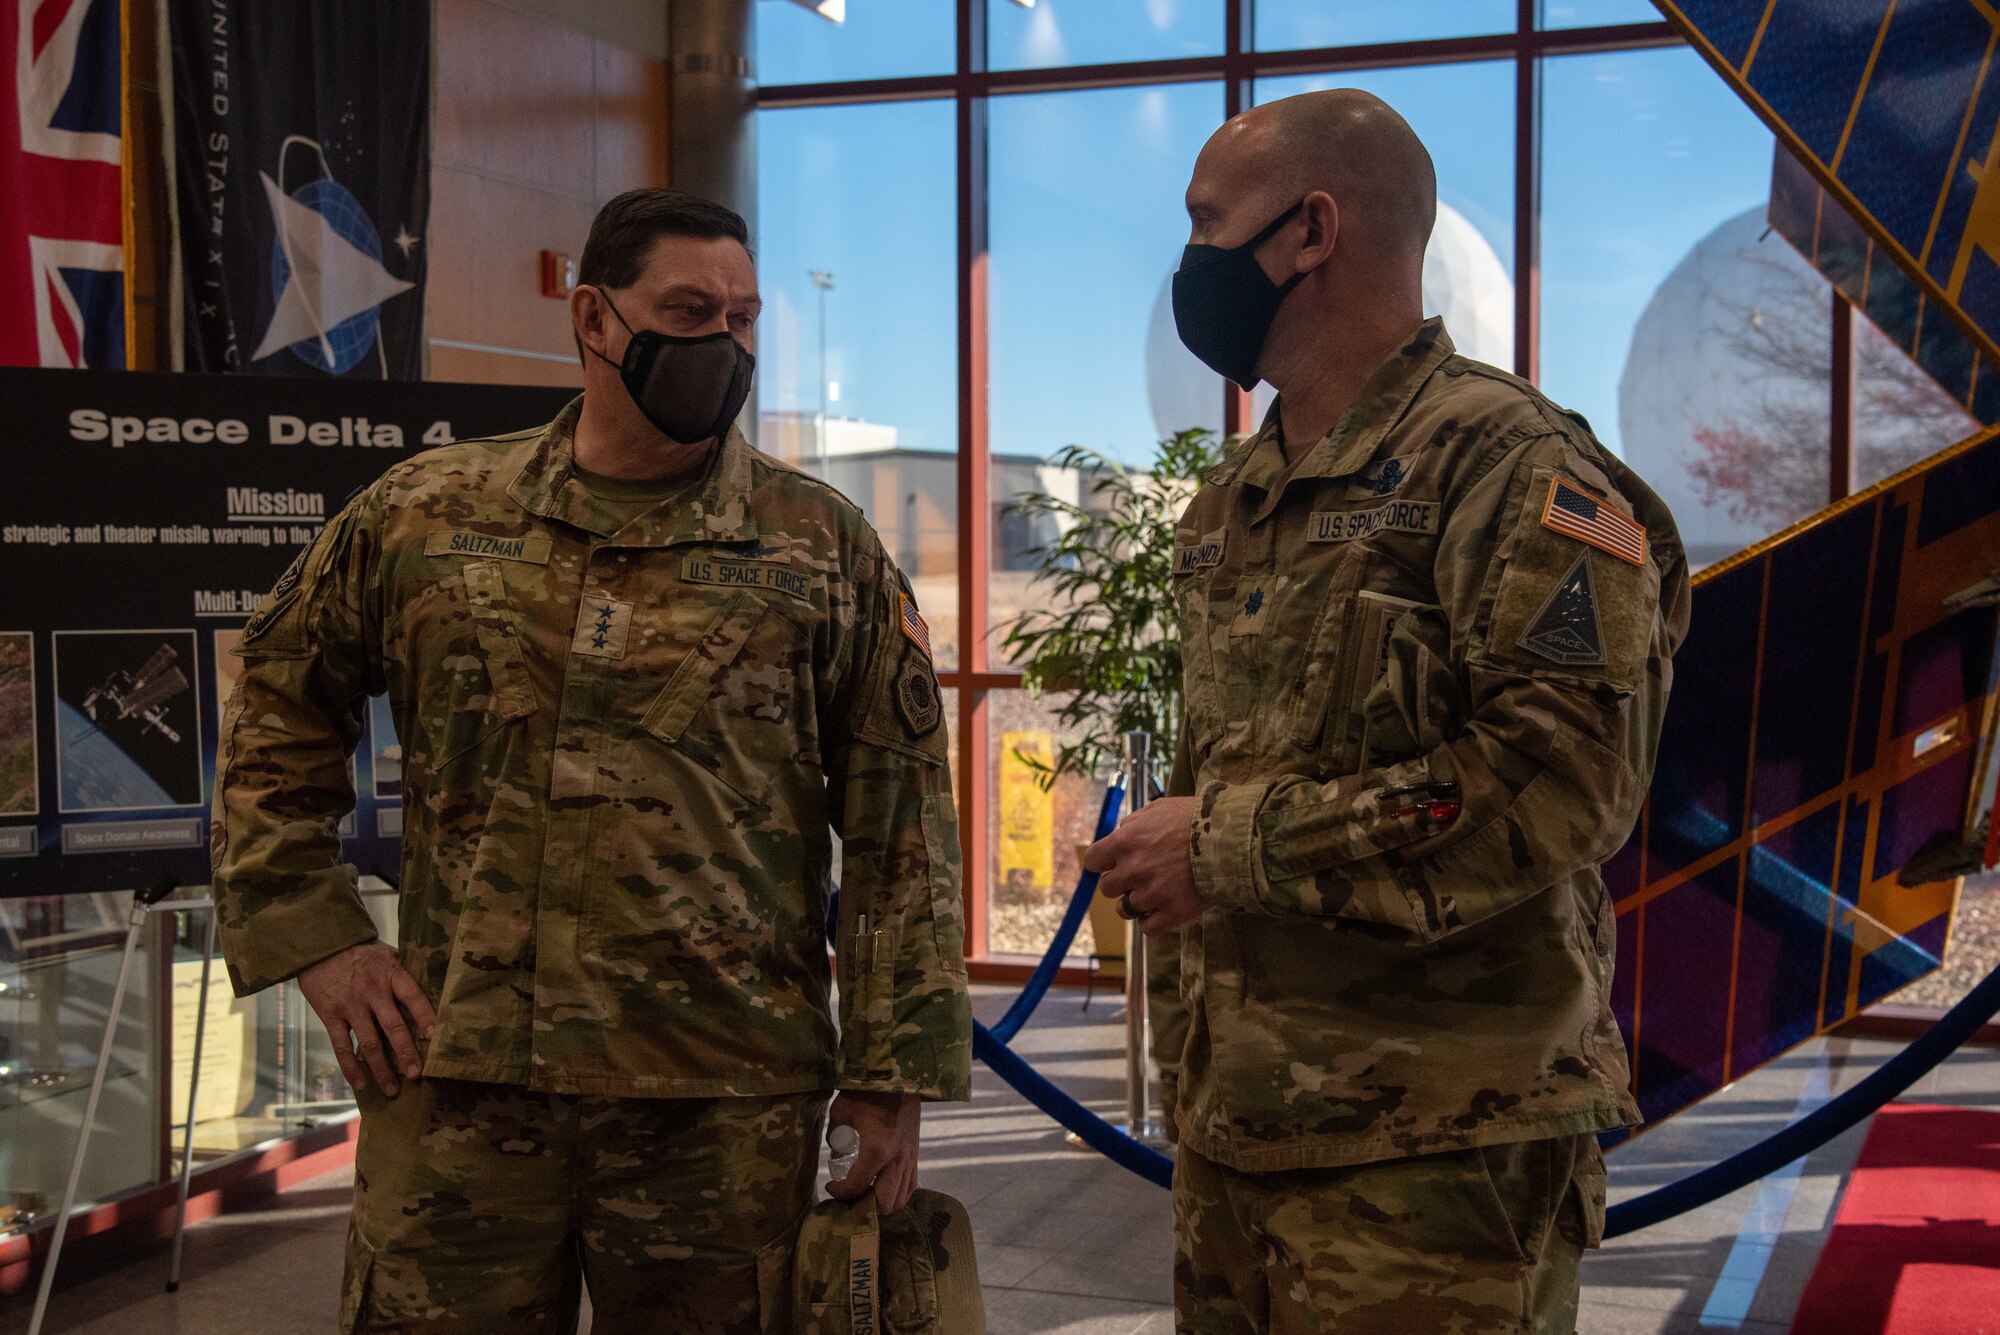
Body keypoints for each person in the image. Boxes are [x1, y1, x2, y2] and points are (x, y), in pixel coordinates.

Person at [210, 188, 971, 1334]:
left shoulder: (819, 548)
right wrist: (314, 934)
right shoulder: (423, 513)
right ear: (593, 318)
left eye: (743, 316)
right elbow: (277, 700)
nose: (721, 341)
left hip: (719, 1103)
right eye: (686, 308)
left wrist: (890, 1069)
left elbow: (900, 824)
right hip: (459, 1083)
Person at [1085, 90, 1691, 1334]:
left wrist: (1223, 847)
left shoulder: (1517, 469)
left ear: (1311, 230)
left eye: (1206, 222)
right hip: (1239, 1135)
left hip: (1434, 1157)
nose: (1191, 259)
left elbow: (1560, 777)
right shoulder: (1235, 502)